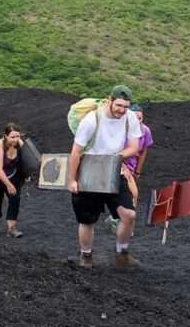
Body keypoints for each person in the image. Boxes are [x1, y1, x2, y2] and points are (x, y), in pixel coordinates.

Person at [69, 84, 142, 268]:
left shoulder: (130, 118)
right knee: (87, 219)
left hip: (113, 170)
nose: (122, 110)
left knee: (129, 215)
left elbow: (135, 147)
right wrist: (72, 180)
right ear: (109, 100)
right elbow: (76, 152)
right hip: (90, 170)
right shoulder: (92, 120)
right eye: (118, 105)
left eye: (126, 106)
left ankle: (121, 252)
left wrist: (116, 158)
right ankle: (86, 255)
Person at [106, 103, 154, 233]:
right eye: (135, 118)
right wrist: (122, 167)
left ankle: (115, 218)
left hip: (132, 167)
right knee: (133, 193)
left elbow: (143, 151)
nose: (138, 121)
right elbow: (114, 149)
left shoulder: (145, 131)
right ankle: (127, 227)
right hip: (121, 165)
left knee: (123, 195)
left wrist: (138, 170)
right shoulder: (122, 130)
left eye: (140, 118)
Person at [0, 122, 26, 238]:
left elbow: (26, 159)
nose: (15, 139)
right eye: (12, 137)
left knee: (15, 199)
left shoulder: (19, 144)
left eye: (17, 136)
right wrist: (8, 185)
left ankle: (11, 228)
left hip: (11, 175)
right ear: (6, 136)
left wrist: (25, 174)